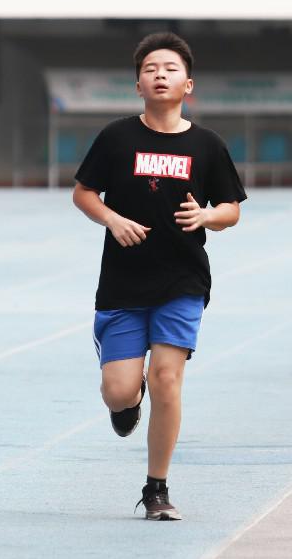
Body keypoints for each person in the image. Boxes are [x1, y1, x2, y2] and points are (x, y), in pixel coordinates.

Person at [72, 32, 247, 520]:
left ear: (188, 84)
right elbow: (83, 193)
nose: (160, 75)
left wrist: (208, 216)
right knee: (119, 391)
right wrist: (112, 219)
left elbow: (231, 208)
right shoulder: (116, 138)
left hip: (182, 280)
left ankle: (156, 489)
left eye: (170, 69)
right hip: (123, 282)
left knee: (167, 377)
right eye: (150, 69)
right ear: (138, 85)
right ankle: (128, 401)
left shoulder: (207, 145)